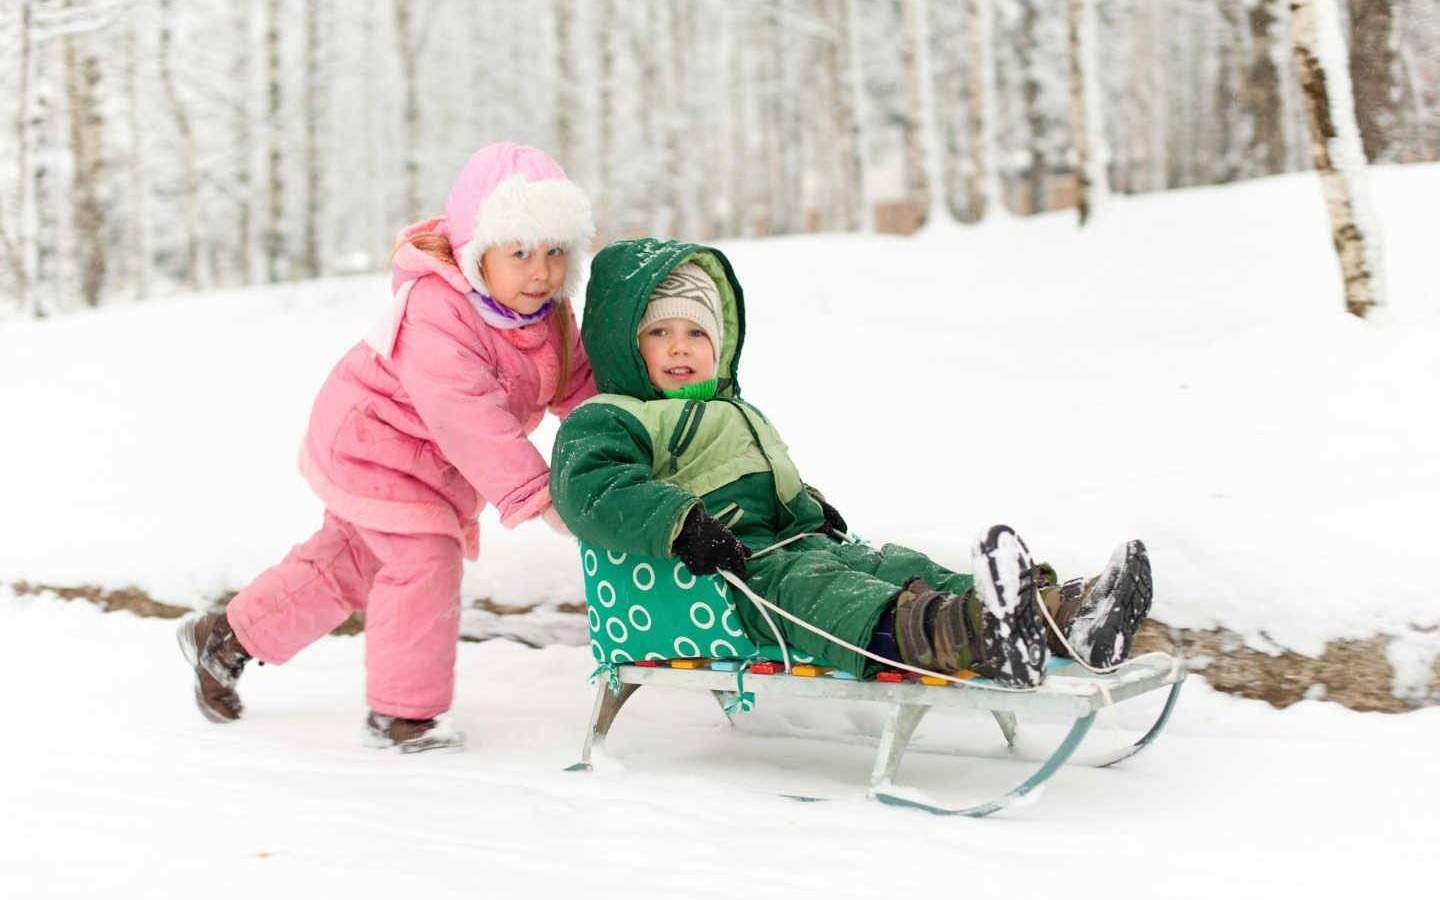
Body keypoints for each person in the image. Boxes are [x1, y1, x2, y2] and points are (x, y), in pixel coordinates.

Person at [549, 239, 1152, 688]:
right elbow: (593, 490)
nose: (681, 346)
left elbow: (760, 479)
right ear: (624, 346)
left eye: (696, 333)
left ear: (720, 344)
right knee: (824, 594)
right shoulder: (611, 417)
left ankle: (1059, 616)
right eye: (659, 332)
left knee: (895, 564)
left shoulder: (732, 408)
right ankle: (976, 633)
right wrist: (679, 524)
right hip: (729, 576)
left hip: (796, 543)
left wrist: (809, 506)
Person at [177, 143, 597, 751]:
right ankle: (403, 715)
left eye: (556, 251)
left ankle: (227, 638)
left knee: (348, 560)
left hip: (427, 462)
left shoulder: (546, 316)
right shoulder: (439, 310)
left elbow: (577, 385)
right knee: (424, 561)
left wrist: (612, 444)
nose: (542, 272)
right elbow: (470, 419)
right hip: (374, 442)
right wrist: (541, 497)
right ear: (478, 252)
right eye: (521, 252)